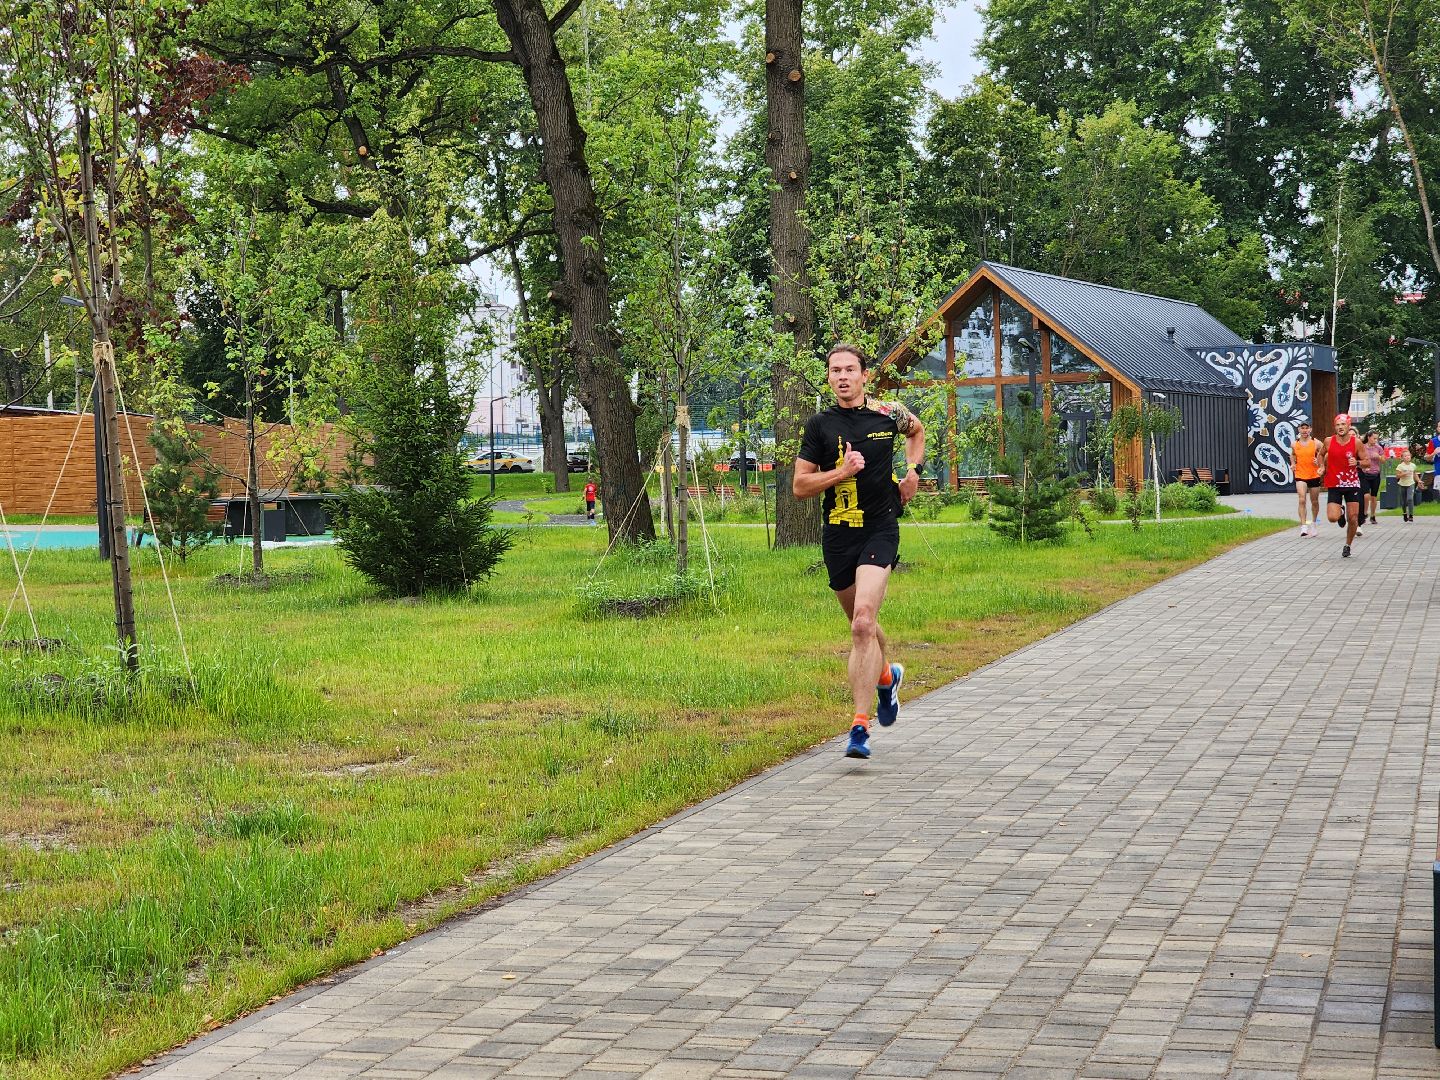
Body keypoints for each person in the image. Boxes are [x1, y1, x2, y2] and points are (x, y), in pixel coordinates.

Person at [794, 343, 925, 760]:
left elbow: (917, 432)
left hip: (880, 529)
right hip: (838, 536)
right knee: (861, 626)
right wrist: (842, 473)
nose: (843, 377)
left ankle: (859, 727)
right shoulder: (819, 426)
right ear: (829, 377)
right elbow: (800, 487)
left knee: (863, 623)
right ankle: (886, 675)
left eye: (850, 369)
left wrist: (912, 473)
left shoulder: (889, 414)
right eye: (835, 371)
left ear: (865, 375)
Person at [1318, 413, 1363, 557]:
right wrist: (1322, 467)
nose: (1340, 427)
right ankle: (1340, 511)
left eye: (1343, 424)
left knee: (1354, 518)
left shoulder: (1356, 443)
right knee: (1332, 518)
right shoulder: (1328, 441)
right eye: (1337, 425)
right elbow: (1320, 455)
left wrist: (1357, 463)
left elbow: (1367, 461)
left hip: (1351, 483)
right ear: (1334, 427)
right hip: (1334, 482)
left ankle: (1347, 545)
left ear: (1348, 426)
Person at [1290, 421, 1323, 536]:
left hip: (1314, 474)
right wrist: (1293, 464)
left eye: (1306, 428)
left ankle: (1313, 523)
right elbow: (1293, 454)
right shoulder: (1295, 444)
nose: (1304, 430)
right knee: (1302, 499)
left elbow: (1324, 453)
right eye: (1302, 428)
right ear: (1299, 430)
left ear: (1310, 429)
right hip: (1300, 474)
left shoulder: (1316, 443)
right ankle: (1303, 526)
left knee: (1314, 501)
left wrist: (1319, 461)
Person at [1358, 430, 1384, 526]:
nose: (1375, 440)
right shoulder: (1363, 447)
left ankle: (1373, 515)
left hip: (1375, 474)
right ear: (1368, 437)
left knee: (1373, 496)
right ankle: (1364, 513)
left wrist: (1379, 457)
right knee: (1366, 495)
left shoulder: (1378, 448)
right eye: (1374, 438)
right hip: (1365, 474)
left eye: (1377, 438)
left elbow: (1384, 460)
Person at [1395, 448, 1418, 522]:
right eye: (1405, 456)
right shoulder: (1400, 466)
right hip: (1402, 484)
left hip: (1411, 483)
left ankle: (1411, 515)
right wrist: (1403, 474)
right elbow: (1397, 476)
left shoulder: (1413, 465)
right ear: (1402, 458)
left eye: (1408, 455)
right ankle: (1404, 513)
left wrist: (1419, 480)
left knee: (1410, 499)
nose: (1407, 457)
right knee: (1404, 501)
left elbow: (1415, 474)